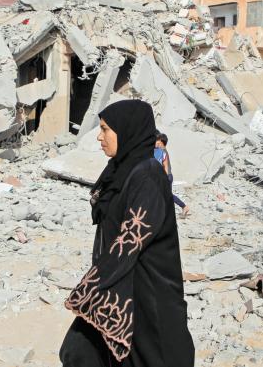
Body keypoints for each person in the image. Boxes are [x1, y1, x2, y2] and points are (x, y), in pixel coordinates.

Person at [59, 100, 194, 367]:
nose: (100, 136)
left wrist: (89, 287)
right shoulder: (119, 169)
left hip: (146, 289)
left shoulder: (148, 175)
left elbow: (132, 237)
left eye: (106, 129)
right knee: (78, 352)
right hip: (119, 282)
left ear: (127, 130)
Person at [155, 132, 190, 217]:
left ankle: (184, 207)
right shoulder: (162, 150)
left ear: (161, 142)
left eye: (157, 142)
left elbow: (163, 166)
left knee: (167, 195)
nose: (155, 144)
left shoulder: (162, 151)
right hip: (167, 176)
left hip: (167, 176)